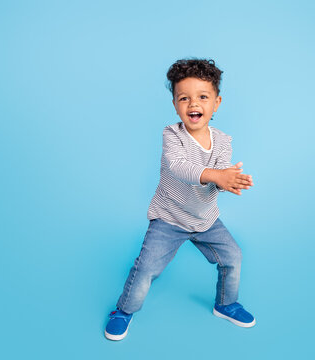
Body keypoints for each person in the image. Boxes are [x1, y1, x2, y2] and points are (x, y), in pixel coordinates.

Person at [104, 58, 255, 341]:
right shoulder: (172, 135)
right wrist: (216, 175)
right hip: (169, 218)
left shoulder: (224, 141)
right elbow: (180, 167)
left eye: (202, 97)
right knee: (146, 267)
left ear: (217, 103)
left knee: (233, 256)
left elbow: (218, 180)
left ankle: (226, 304)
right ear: (175, 104)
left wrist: (228, 182)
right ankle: (124, 310)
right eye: (183, 98)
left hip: (205, 219)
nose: (193, 104)